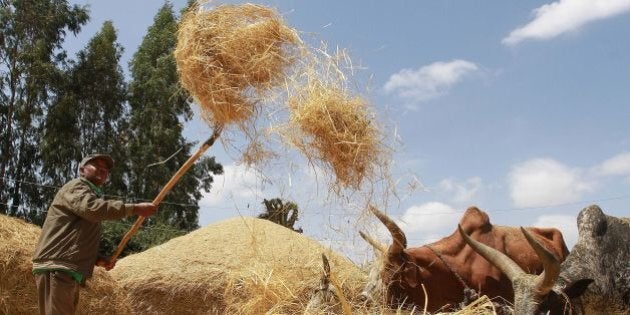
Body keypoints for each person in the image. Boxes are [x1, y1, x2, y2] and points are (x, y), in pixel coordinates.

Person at [32, 154, 157, 315]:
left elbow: (75, 236)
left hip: (65, 266)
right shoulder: (77, 187)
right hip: (58, 265)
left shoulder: (87, 193)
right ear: (82, 170)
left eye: (105, 169)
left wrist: (97, 259)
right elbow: (92, 209)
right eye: (96, 165)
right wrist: (134, 208)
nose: (102, 169)